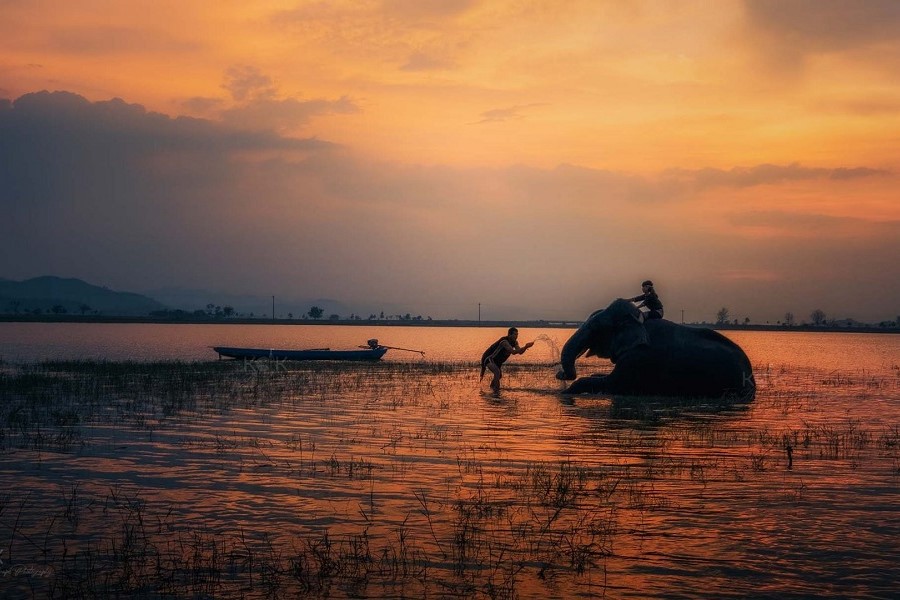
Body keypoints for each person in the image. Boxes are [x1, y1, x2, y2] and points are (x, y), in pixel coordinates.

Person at [480, 327, 534, 393]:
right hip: (489, 358)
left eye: (517, 334)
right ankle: (496, 392)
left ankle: (492, 388)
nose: (516, 336)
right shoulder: (504, 342)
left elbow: (520, 352)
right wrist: (525, 346)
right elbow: (513, 352)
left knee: (499, 376)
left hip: (497, 361)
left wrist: (526, 347)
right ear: (509, 335)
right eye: (514, 334)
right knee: (497, 372)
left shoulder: (515, 342)